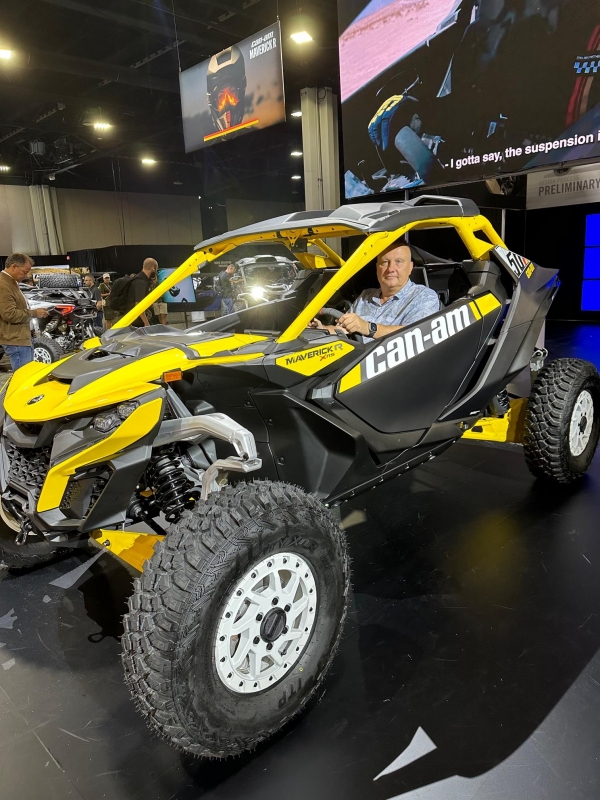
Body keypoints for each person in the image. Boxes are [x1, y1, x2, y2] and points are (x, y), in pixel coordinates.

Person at [312, 240, 439, 340]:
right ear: (378, 268)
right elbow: (344, 329)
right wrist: (322, 329)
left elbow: (415, 334)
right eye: (385, 262)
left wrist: (368, 328)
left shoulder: (424, 297)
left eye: (399, 262)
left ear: (410, 267)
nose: (391, 269)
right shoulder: (365, 296)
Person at [0, 253, 49, 371]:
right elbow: (9, 314)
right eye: (24, 272)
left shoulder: (10, 282)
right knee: (23, 377)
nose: (26, 275)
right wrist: (34, 313)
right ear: (14, 266)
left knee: (27, 375)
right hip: (16, 339)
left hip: (21, 338)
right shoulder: (3, 284)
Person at [124, 258, 158, 327]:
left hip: (136, 320)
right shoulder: (140, 282)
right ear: (152, 269)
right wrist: (146, 322)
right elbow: (138, 305)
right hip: (137, 322)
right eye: (156, 269)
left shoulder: (141, 280)